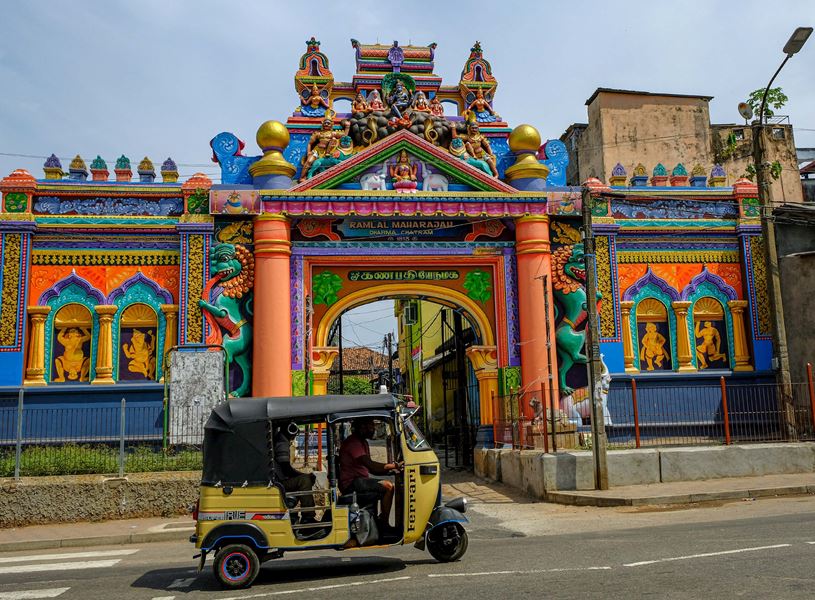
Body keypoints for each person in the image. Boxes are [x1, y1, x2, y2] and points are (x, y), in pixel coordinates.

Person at [339, 418, 403, 527]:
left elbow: (372, 469)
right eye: (370, 427)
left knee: (382, 485)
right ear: (361, 428)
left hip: (359, 481)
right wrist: (394, 466)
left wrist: (391, 470)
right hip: (352, 483)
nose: (373, 429)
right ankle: (384, 524)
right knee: (388, 487)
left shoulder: (362, 442)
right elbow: (372, 466)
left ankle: (378, 521)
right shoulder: (354, 443)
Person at [273, 421, 316, 522]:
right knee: (304, 480)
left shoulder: (281, 440)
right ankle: (308, 517)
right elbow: (286, 468)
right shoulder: (282, 443)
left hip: (279, 480)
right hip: (279, 482)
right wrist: (303, 475)